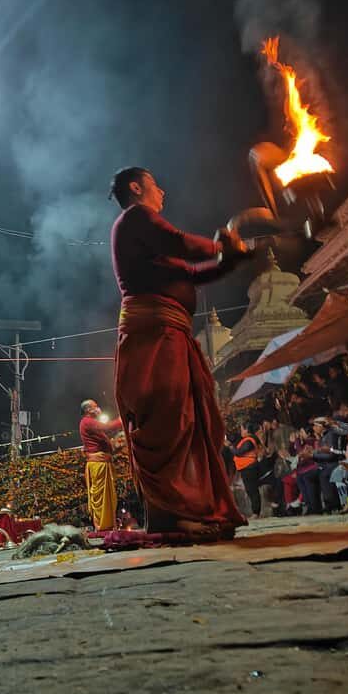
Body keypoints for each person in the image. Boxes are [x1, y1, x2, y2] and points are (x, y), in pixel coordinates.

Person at [110, 166, 250, 540]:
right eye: (156, 184)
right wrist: (221, 246)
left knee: (191, 420)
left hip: (171, 334)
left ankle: (192, 509)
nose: (162, 191)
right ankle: (171, 515)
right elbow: (178, 242)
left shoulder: (152, 244)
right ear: (136, 187)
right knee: (169, 419)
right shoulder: (136, 218)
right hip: (153, 336)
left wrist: (230, 261)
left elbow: (191, 273)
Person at [79, 399, 123, 530]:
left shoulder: (89, 422)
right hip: (98, 464)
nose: (98, 408)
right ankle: (103, 526)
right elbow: (108, 427)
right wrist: (121, 419)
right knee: (101, 497)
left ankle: (108, 525)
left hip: (102, 463)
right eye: (95, 406)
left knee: (107, 497)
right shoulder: (87, 422)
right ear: (88, 410)